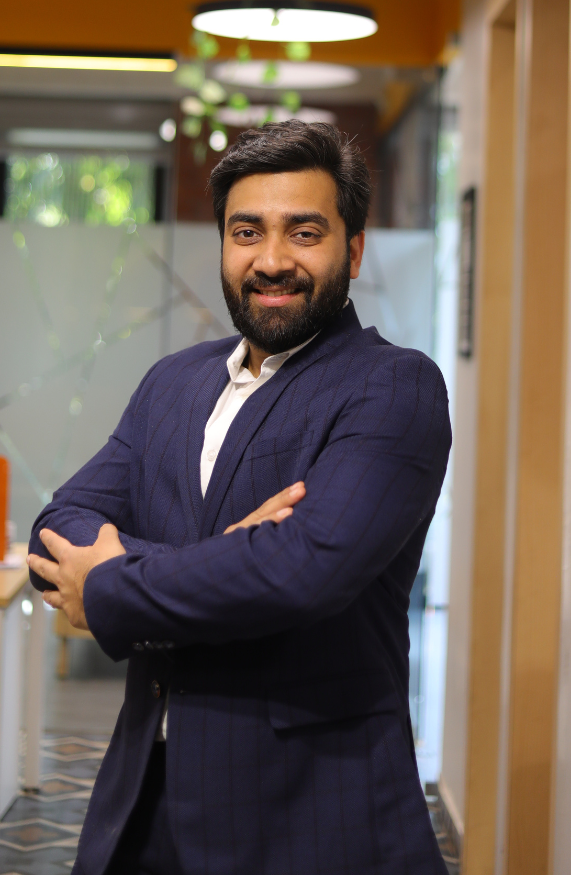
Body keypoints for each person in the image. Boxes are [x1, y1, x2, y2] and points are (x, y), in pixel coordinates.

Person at [27, 120, 451, 875]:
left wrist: (111, 585)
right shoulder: (172, 383)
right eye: (246, 232)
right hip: (144, 807)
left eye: (305, 232)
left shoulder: (393, 386)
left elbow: (302, 570)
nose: (272, 260)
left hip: (308, 816)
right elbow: (56, 529)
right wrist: (228, 551)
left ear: (353, 250)